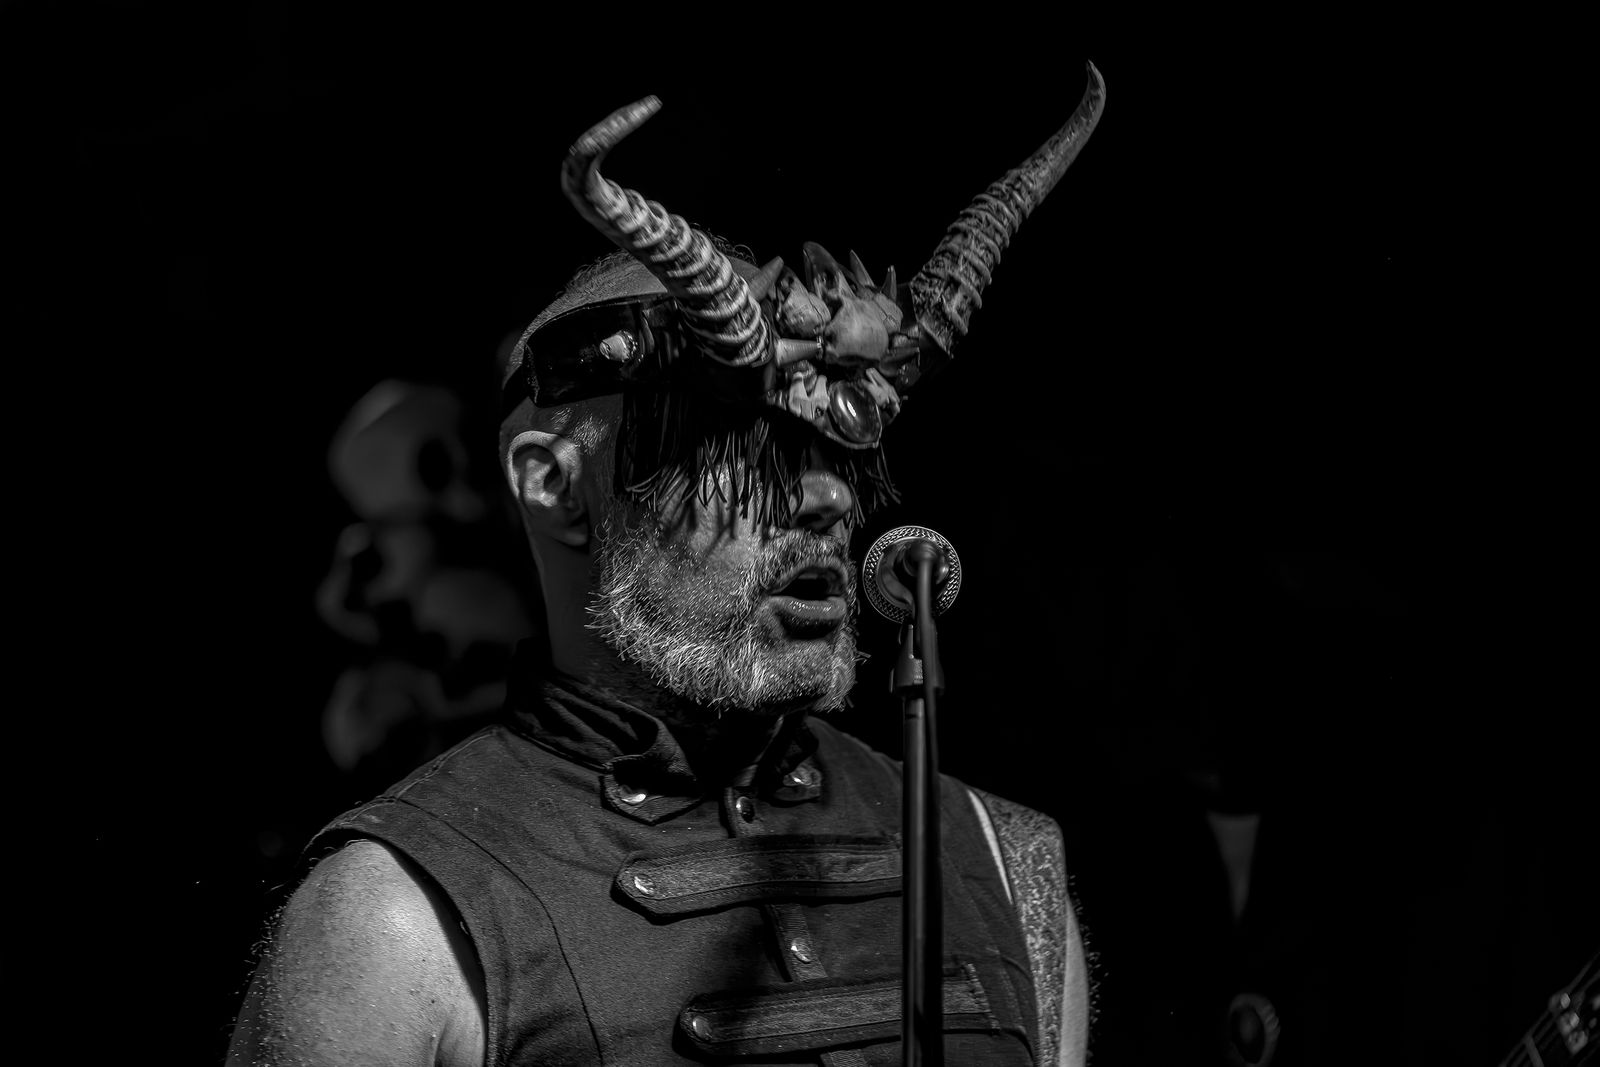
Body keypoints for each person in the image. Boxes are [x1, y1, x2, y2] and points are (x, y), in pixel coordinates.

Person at [226, 66, 1107, 1067]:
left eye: (834, 451)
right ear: (555, 487)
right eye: (738, 452)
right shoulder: (395, 924)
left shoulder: (1006, 861)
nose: (824, 500)